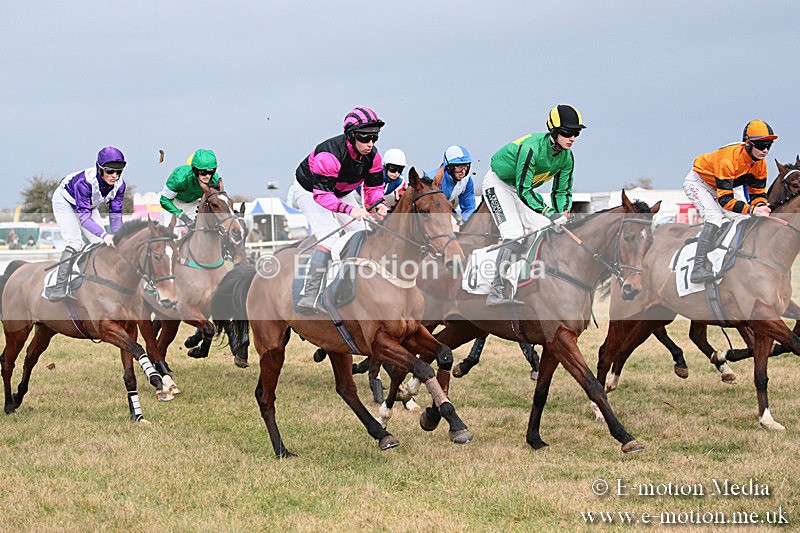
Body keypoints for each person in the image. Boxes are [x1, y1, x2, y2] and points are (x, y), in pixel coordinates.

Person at [288, 106, 389, 313]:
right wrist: (351, 211)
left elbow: (373, 188)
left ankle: (358, 286)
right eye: (365, 138)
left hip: (341, 192)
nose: (370, 144)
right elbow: (323, 196)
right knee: (329, 236)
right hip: (311, 191)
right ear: (351, 136)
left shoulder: (374, 157)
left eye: (374, 138)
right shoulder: (329, 155)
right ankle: (310, 294)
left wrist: (378, 203)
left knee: (364, 232)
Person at [482, 104, 585, 305]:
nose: (572, 138)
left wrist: (562, 212)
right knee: (514, 234)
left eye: (576, 133)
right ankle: (497, 290)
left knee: (542, 231)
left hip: (521, 188)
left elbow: (561, 191)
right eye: (568, 133)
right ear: (554, 132)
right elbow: (524, 190)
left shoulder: (567, 157)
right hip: (499, 184)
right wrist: (549, 212)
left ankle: (523, 283)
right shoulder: (531, 149)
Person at [683, 120, 774, 283]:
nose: (765, 150)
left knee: (744, 218)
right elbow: (725, 200)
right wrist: (752, 210)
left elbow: (757, 193)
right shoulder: (728, 160)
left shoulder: (761, 164)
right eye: (761, 145)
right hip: (699, 183)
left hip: (722, 187)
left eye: (769, 145)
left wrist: (760, 206)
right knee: (714, 218)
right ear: (748, 143)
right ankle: (697, 269)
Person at [48, 146, 127, 301]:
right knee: (75, 242)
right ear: (100, 168)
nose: (115, 176)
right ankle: (59, 286)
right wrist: (105, 234)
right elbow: (84, 219)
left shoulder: (120, 185)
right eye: (110, 171)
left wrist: (119, 235)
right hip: (65, 201)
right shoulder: (84, 183)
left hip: (88, 206)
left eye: (119, 171)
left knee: (101, 244)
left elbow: (115, 215)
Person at [160, 149, 221, 228]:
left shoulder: (215, 180)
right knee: (171, 233)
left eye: (211, 172)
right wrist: (182, 216)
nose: (207, 176)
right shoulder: (180, 178)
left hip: (193, 204)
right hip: (173, 204)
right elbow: (164, 200)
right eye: (203, 172)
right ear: (195, 170)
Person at [430, 145, 476, 225]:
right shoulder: (431, 180)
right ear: (449, 167)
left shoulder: (467, 181)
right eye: (459, 167)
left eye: (466, 167)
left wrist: (462, 225)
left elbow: (469, 208)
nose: (463, 172)